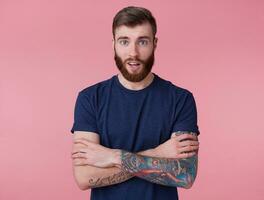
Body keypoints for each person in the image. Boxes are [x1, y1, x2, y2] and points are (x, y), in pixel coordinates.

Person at [70, 6, 200, 200]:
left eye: (143, 41)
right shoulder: (90, 98)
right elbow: (84, 178)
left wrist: (112, 157)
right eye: (124, 41)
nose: (133, 52)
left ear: (155, 43)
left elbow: (185, 176)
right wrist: (157, 153)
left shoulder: (181, 99)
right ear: (113, 44)